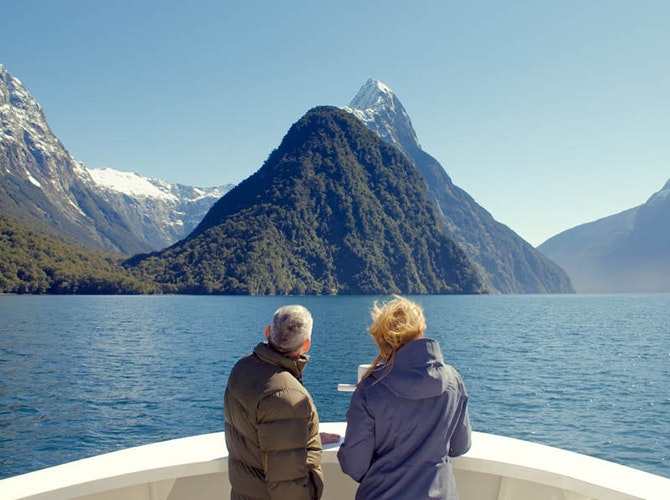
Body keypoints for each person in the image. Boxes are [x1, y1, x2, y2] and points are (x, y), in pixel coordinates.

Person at [337, 296, 472, 499]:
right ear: (421, 330)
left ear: (382, 339)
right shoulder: (453, 380)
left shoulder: (371, 388)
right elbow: (460, 446)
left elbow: (355, 465)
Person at [224, 305, 333, 500]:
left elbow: (262, 433)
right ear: (306, 345)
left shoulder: (242, 368)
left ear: (267, 332)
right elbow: (287, 483)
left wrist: (304, 435)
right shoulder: (287, 396)